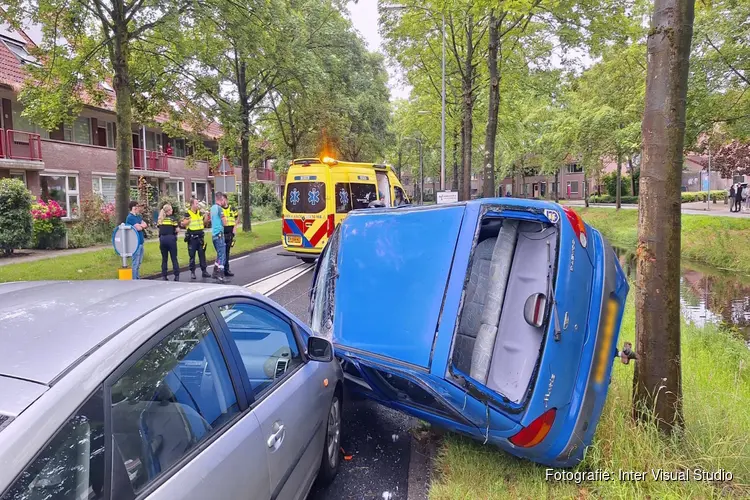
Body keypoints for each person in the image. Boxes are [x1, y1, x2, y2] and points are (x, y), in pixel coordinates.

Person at [182, 198, 211, 280]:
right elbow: (183, 224)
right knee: (192, 256)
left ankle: (204, 271)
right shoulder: (187, 213)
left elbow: (205, 223)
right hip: (192, 238)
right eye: (196, 204)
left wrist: (206, 216)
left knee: (202, 255)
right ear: (192, 205)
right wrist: (188, 220)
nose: (198, 205)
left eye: (198, 203)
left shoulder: (200, 213)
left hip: (200, 237)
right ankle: (192, 272)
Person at [157, 204, 180, 281]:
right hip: (171, 239)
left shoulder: (160, 220)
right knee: (174, 258)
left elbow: (159, 230)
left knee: (164, 258)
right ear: (168, 211)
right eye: (171, 210)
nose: (172, 211)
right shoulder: (172, 219)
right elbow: (177, 230)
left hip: (163, 239)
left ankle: (164, 275)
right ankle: (176, 275)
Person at [125, 201, 147, 279]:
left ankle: (137, 278)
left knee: (139, 262)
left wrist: (141, 225)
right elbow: (138, 228)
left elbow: (145, 224)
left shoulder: (138, 216)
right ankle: (134, 279)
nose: (139, 208)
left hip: (141, 242)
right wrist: (141, 226)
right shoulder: (130, 217)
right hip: (135, 243)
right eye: (137, 206)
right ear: (133, 207)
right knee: (135, 262)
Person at [210, 192, 229, 283]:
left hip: (214, 235)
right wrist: (226, 220)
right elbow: (225, 223)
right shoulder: (219, 209)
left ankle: (214, 272)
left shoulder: (212, 208)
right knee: (222, 255)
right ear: (221, 199)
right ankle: (221, 275)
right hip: (219, 234)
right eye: (223, 200)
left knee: (218, 254)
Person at [223, 199, 239, 277]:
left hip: (230, 233)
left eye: (223, 199)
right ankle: (222, 269)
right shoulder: (220, 209)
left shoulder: (232, 208)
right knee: (222, 252)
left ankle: (226, 269)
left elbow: (237, 217)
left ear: (226, 200)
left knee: (227, 252)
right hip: (222, 233)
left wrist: (235, 227)